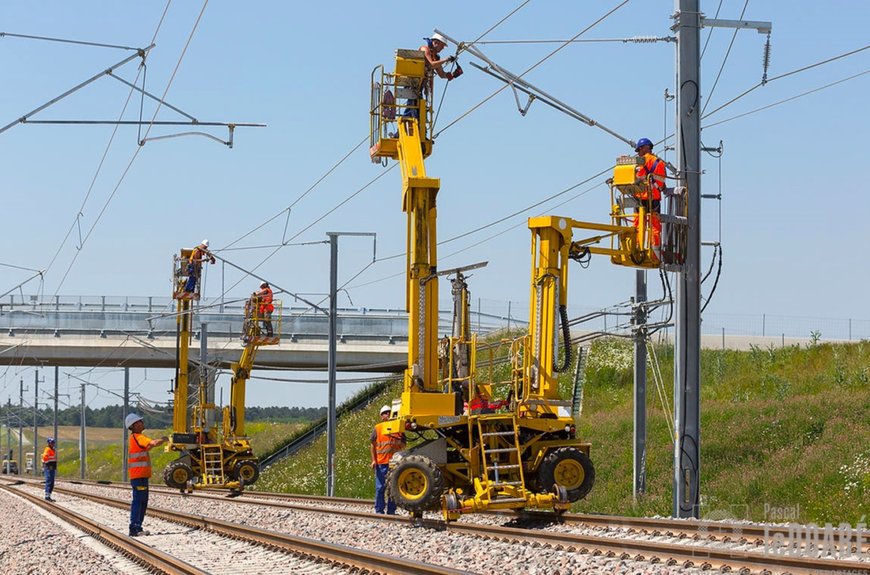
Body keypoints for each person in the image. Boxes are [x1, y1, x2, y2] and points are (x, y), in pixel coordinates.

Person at [125, 413, 168, 537]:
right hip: (139, 476)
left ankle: (137, 527)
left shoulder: (136, 439)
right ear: (134, 425)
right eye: (140, 421)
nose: (142, 423)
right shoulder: (138, 437)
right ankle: (135, 528)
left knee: (142, 501)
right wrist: (164, 439)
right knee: (139, 501)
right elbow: (152, 443)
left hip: (140, 476)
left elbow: (148, 446)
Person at [404, 32, 463, 120]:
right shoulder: (425, 49)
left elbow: (442, 74)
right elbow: (431, 65)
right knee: (412, 109)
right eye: (442, 46)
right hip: (412, 83)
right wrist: (446, 59)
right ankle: (400, 130)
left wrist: (453, 75)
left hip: (420, 86)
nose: (442, 49)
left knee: (418, 110)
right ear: (436, 43)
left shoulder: (435, 57)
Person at [633, 138, 667, 258]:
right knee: (655, 226)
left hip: (640, 199)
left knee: (638, 225)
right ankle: (655, 252)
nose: (638, 153)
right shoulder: (660, 163)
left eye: (638, 150)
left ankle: (637, 248)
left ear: (642, 148)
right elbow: (662, 184)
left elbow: (634, 180)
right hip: (655, 200)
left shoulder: (638, 163)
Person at [370, 404, 405, 515]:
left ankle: (391, 511)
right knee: (380, 488)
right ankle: (379, 510)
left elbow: (404, 444)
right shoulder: (378, 428)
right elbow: (373, 444)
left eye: (389, 412)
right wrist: (373, 460)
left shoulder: (399, 427)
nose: (388, 414)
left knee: (393, 488)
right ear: (381, 416)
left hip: (395, 463)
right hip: (382, 463)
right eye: (385, 413)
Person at [42, 437, 57, 501]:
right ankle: (47, 496)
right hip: (48, 467)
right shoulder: (47, 449)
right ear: (49, 443)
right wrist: (48, 465)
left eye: (53, 442)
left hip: (52, 467)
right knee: (49, 481)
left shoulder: (52, 449)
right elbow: (45, 458)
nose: (53, 444)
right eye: (52, 442)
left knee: (52, 482)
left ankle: (49, 495)